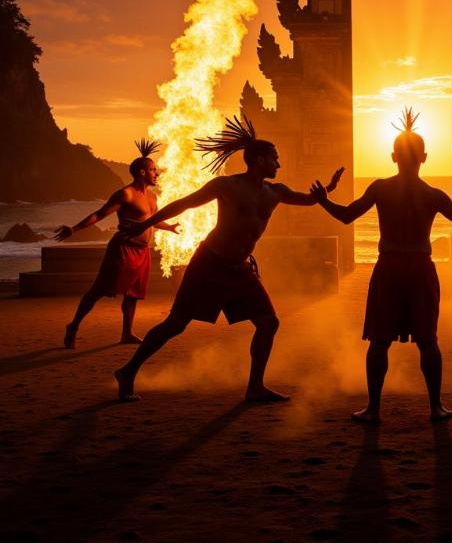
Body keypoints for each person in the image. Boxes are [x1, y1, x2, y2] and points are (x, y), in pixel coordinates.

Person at [310, 108, 452, 424]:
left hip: (388, 268)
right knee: (428, 340)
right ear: (425, 157)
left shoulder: (380, 188)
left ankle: (374, 408)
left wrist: (323, 200)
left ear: (392, 156)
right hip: (420, 269)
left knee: (379, 340)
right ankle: (435, 406)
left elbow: (346, 216)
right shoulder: (432, 194)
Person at [113, 115, 343, 402]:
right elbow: (183, 204)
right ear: (259, 160)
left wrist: (326, 193)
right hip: (210, 264)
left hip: (241, 269)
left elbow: (307, 200)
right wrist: (145, 225)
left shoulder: (276, 191)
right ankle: (128, 371)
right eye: (275, 158)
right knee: (176, 323)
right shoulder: (227, 186)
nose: (278, 164)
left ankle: (254, 387)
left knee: (268, 322)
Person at [57, 140, 179, 349]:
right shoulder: (126, 194)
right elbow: (100, 214)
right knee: (99, 290)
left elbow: (152, 219)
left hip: (143, 252)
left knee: (133, 296)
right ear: (141, 172)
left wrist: (169, 227)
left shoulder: (152, 196)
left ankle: (127, 333)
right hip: (123, 250)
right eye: (153, 170)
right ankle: (73, 325)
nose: (157, 174)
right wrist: (74, 229)